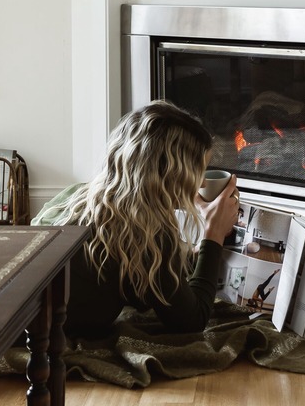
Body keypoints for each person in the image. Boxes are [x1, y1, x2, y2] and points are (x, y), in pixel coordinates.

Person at [46, 100, 240, 338]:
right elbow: (192, 320)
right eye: (197, 171)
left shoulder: (78, 196)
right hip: (51, 336)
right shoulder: (146, 235)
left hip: (19, 319)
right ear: (168, 174)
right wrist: (213, 234)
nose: (201, 183)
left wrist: (200, 251)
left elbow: (164, 280)